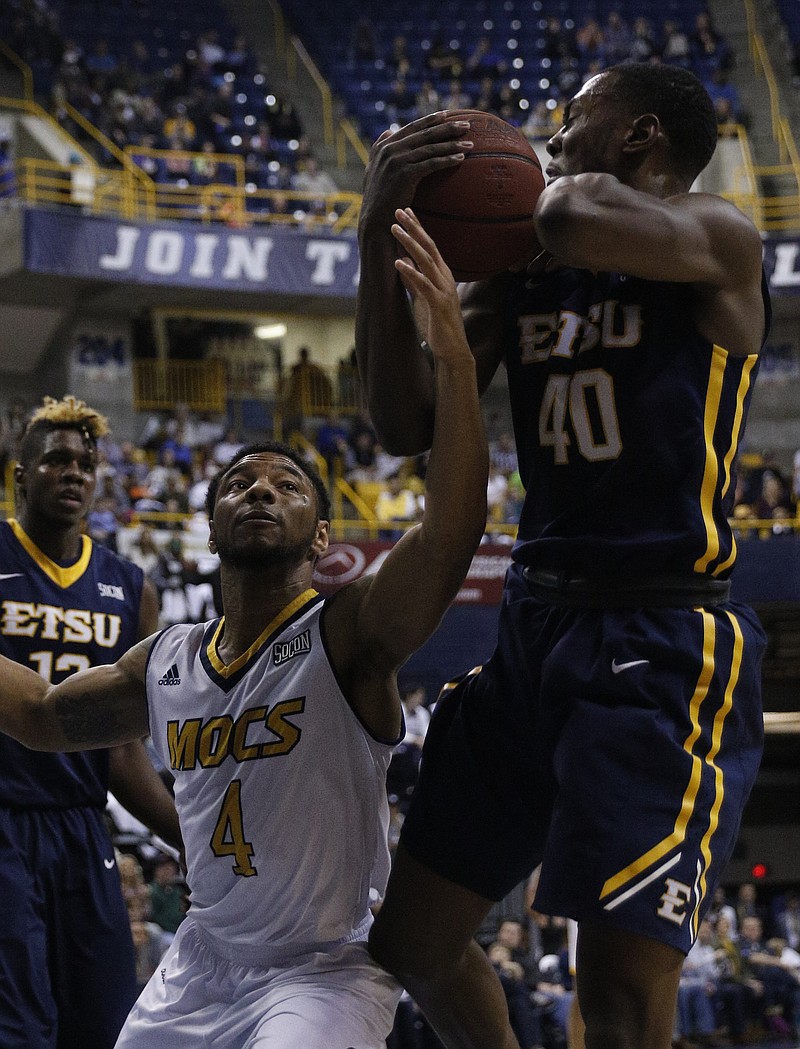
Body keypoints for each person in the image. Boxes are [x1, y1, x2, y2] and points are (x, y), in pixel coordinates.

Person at [0, 210, 489, 1049]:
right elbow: (45, 716)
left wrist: (452, 357)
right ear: (211, 518)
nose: (260, 490)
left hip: (324, 965)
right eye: (239, 482)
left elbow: (449, 533)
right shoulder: (167, 658)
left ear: (324, 537)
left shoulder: (351, 634)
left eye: (287, 484)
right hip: (201, 962)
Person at [355, 62, 769, 1049]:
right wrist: (377, 231)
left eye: (572, 121)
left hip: (657, 631)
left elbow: (573, 217)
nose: (550, 142)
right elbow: (400, 416)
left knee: (618, 996)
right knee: (410, 942)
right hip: (534, 628)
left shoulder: (718, 236)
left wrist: (494, 186)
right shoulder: (522, 274)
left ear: (637, 138)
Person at [0, 395, 182, 1049]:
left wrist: (192, 838)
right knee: (19, 1027)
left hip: (81, 826)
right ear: (20, 472)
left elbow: (125, 754)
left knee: (104, 1023)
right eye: (56, 460)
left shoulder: (131, 587)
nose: (74, 472)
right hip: (4, 818)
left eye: (86, 461)